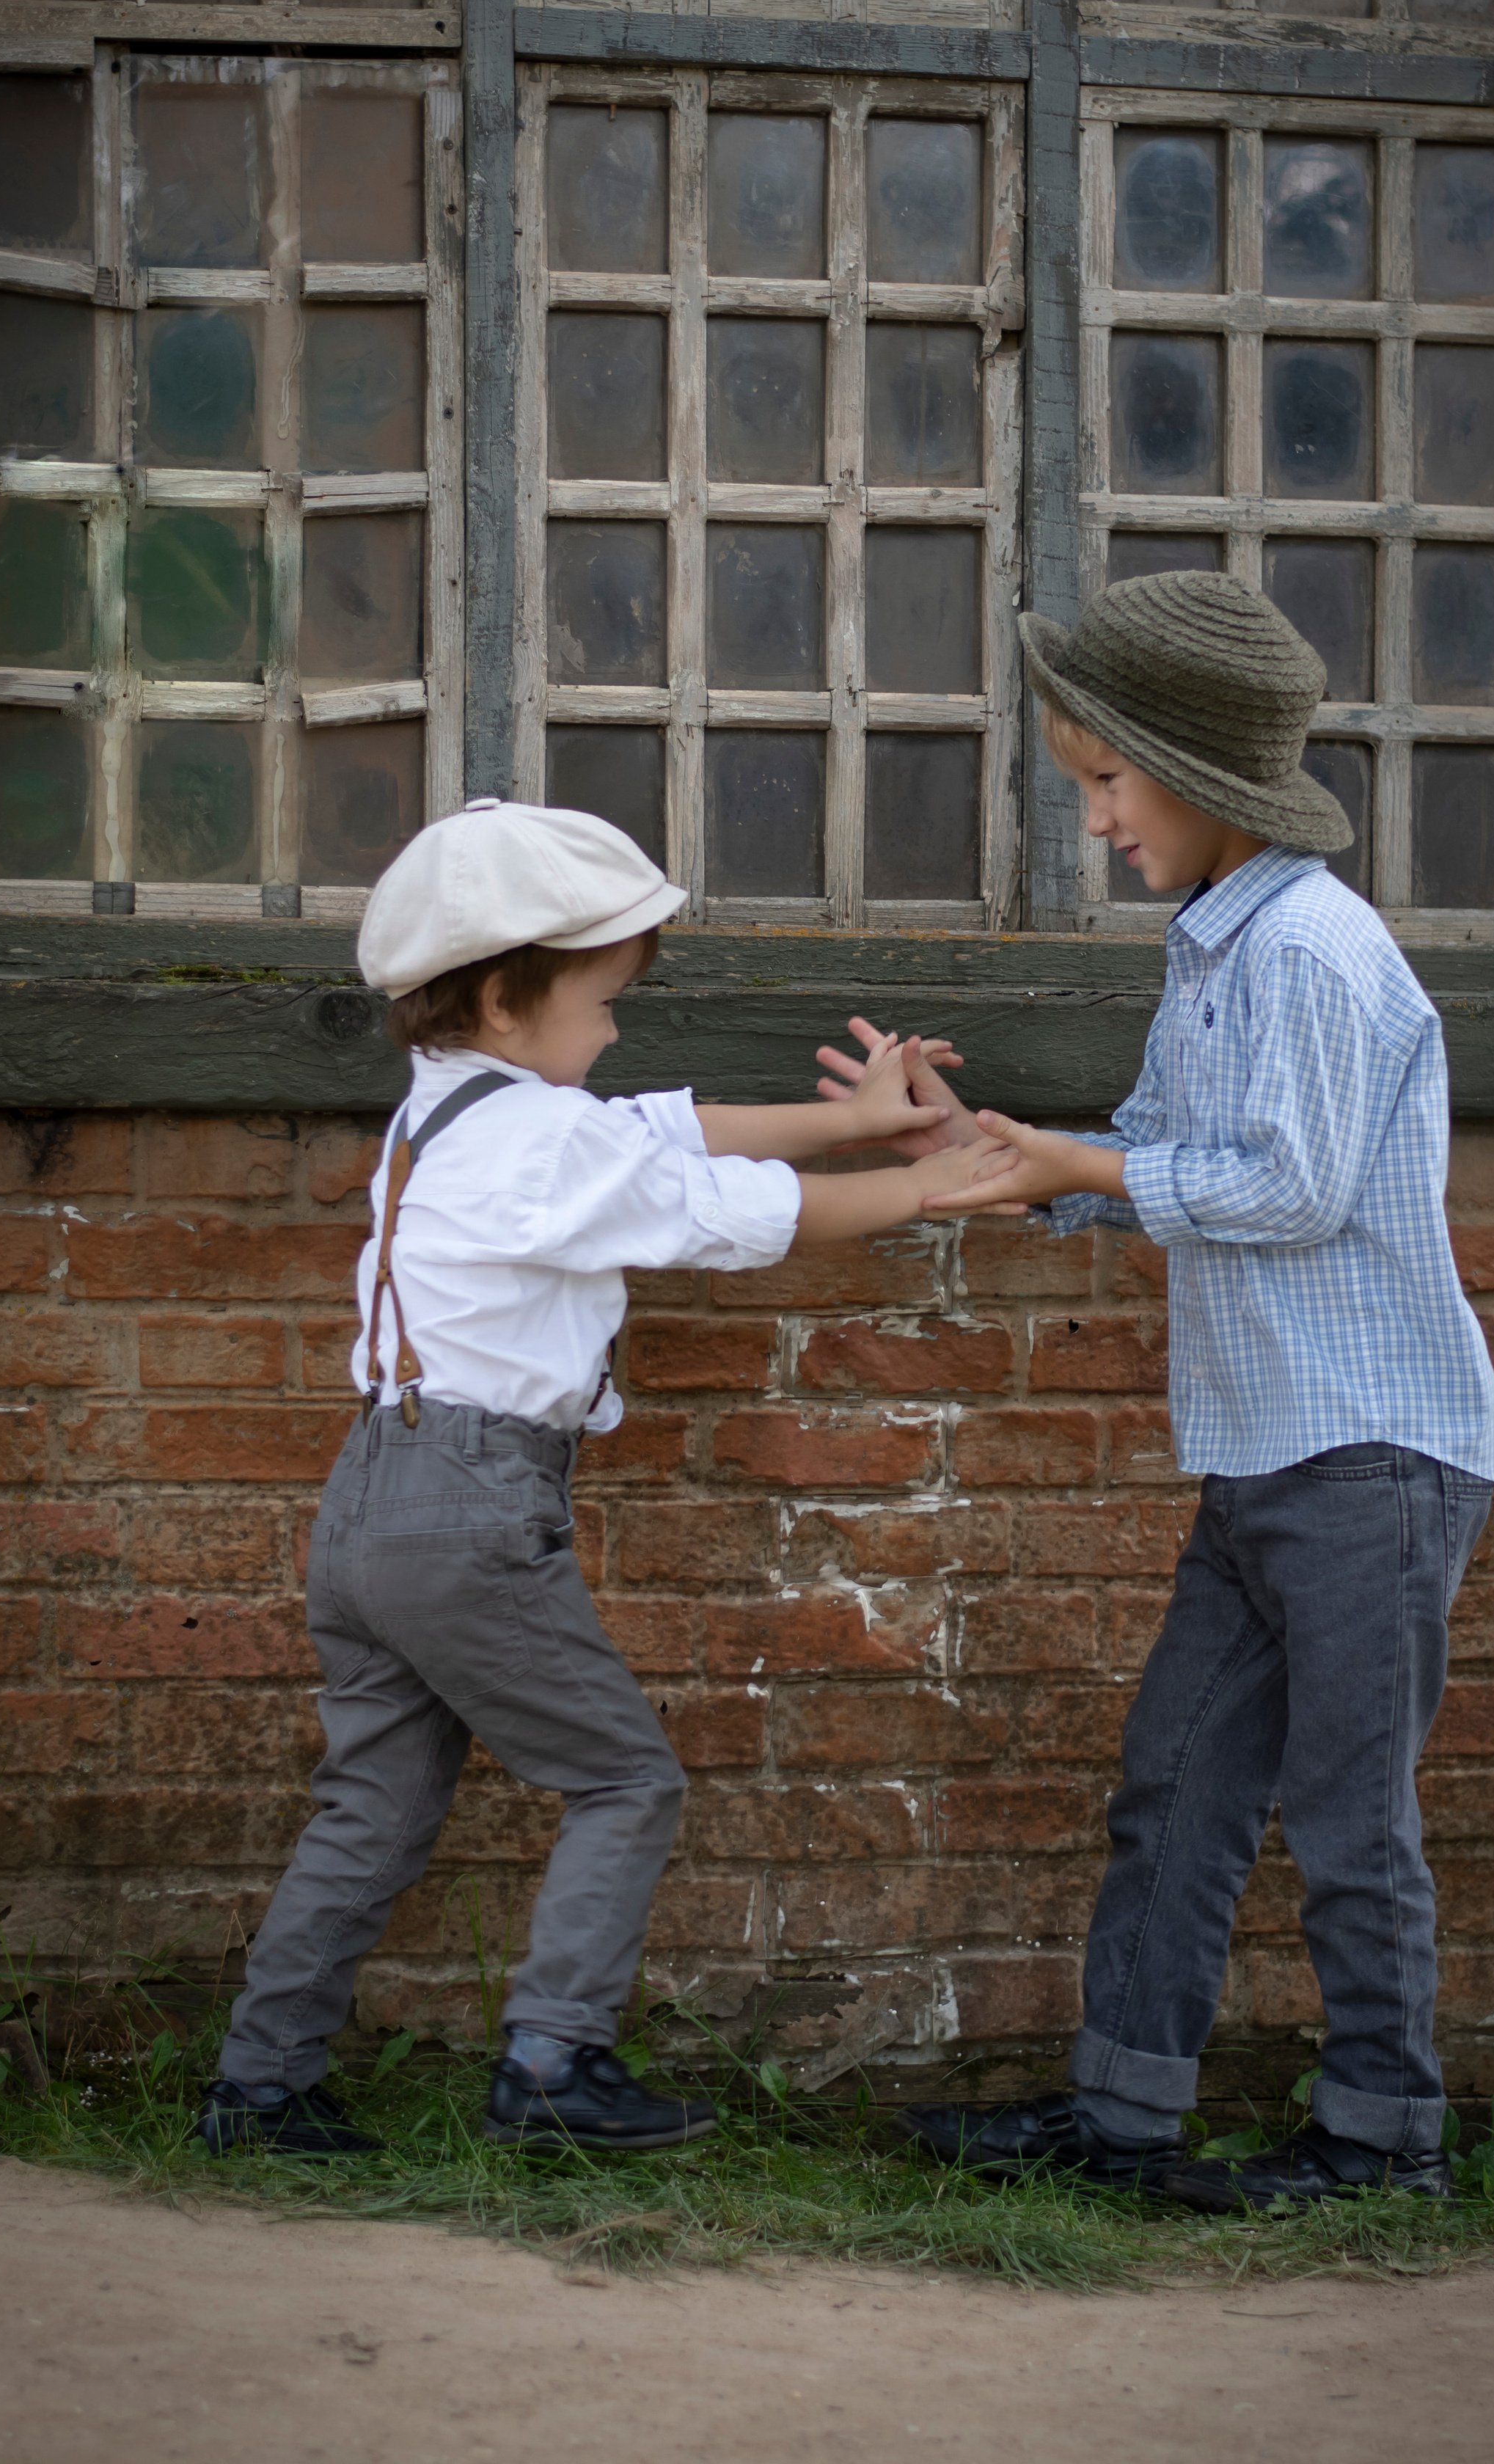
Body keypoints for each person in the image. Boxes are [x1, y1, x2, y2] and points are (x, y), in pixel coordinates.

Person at [822, 571, 1494, 2211]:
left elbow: (1289, 1189)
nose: (1098, 820)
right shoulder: (1213, 952)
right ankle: (1120, 2118)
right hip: (1266, 1453)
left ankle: (1379, 2141)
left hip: (1371, 1457)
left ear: (1193, 772)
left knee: (1345, 1820)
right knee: (1178, 1783)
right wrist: (961, 1150)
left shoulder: (1317, 957)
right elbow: (1138, 1162)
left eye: (1106, 785)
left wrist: (1072, 1161)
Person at [196, 798, 1013, 2161]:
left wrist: (851, 1126)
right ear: (511, 998)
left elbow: (652, 1138)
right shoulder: (535, 1142)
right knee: (627, 1781)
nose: (619, 1028)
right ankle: (553, 2063)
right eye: (604, 1000)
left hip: (368, 1505)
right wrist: (939, 1185)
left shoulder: (454, 1110)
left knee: (376, 1805)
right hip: (465, 1509)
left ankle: (260, 2086)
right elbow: (717, 1211)